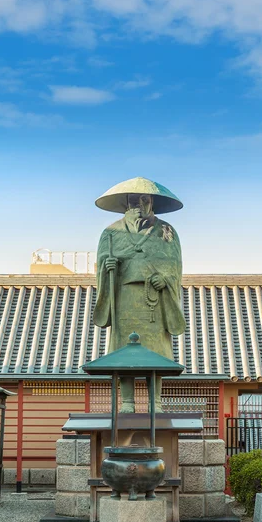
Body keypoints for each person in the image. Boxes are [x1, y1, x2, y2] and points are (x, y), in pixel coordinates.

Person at [94, 177, 186, 413]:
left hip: (154, 300)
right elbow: (101, 263)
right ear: (126, 202)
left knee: (154, 351)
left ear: (152, 202)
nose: (138, 204)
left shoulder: (166, 232)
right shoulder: (111, 233)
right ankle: (127, 401)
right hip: (124, 298)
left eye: (144, 200)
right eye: (133, 200)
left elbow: (175, 266)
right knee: (125, 350)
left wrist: (165, 279)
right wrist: (108, 266)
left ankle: (156, 402)